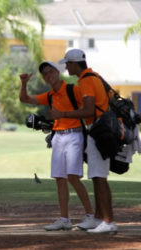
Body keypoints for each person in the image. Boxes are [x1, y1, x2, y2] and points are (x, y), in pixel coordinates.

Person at [19, 61, 98, 231]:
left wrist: (62, 114)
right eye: (45, 74)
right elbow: (24, 99)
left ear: (57, 72)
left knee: (72, 177)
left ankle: (91, 215)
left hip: (74, 134)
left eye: (51, 72)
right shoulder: (50, 95)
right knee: (60, 179)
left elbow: (88, 109)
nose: (49, 76)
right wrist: (24, 83)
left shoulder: (73, 89)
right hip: (58, 138)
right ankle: (64, 219)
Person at [50, 48, 117, 234]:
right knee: (96, 177)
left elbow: (88, 110)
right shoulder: (92, 76)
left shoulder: (86, 80)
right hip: (100, 129)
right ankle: (97, 218)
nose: (66, 68)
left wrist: (62, 114)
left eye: (67, 64)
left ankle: (108, 221)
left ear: (73, 63)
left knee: (99, 178)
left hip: (98, 130)